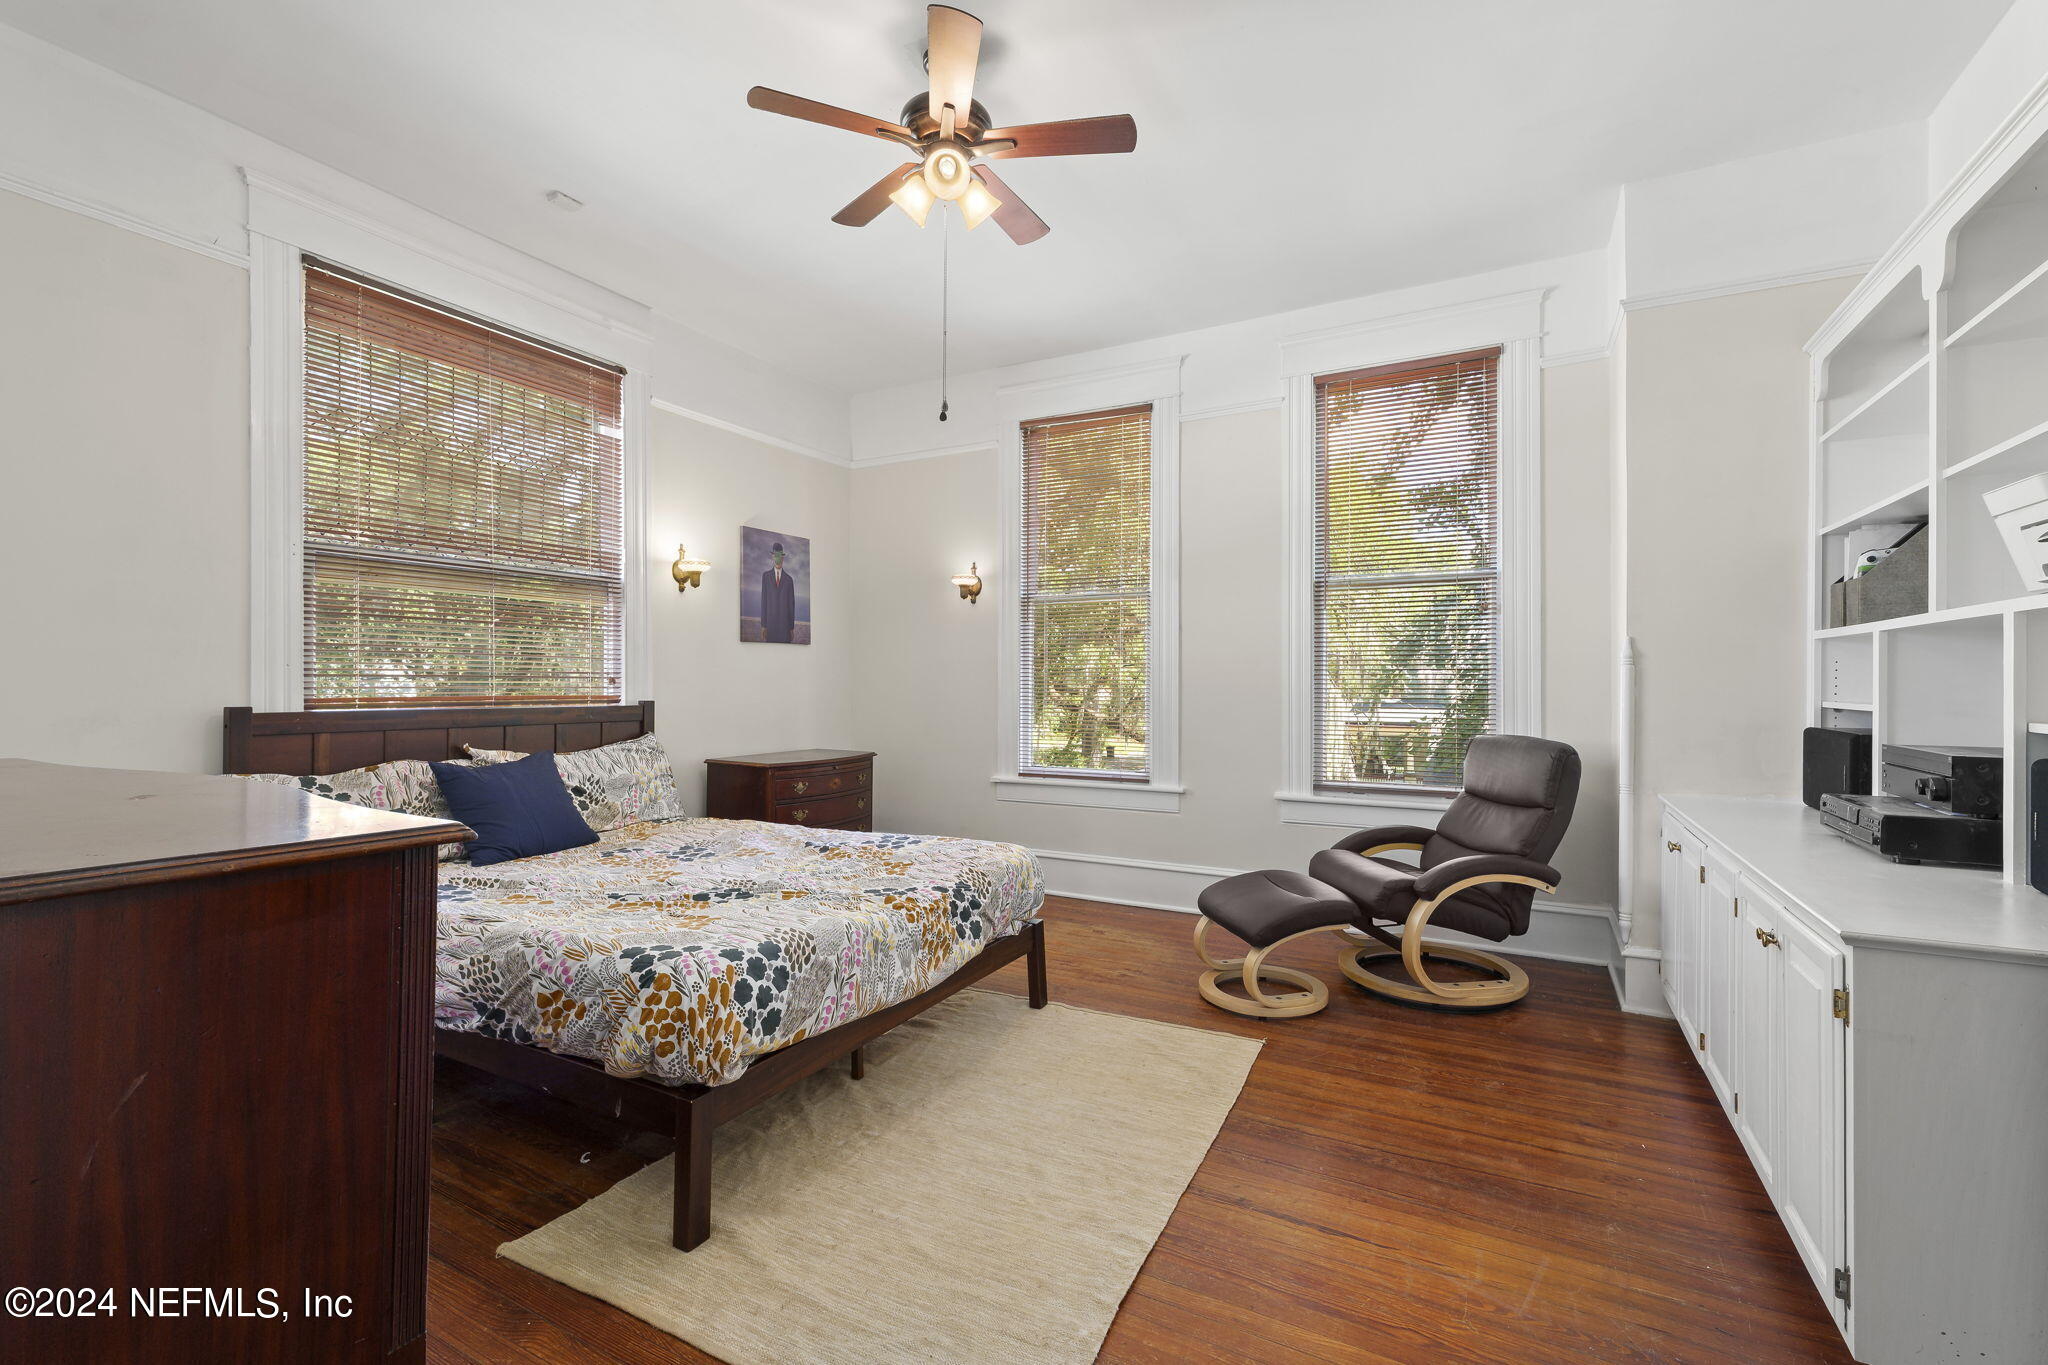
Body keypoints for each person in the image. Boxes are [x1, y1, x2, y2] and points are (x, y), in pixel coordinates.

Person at [760, 541, 798, 643]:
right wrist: (763, 625)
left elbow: (791, 605)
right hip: (770, 626)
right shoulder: (766, 577)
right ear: (772, 556)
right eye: (775, 555)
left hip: (785, 627)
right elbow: (764, 601)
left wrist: (791, 628)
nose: (778, 558)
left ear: (783, 557)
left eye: (780, 555)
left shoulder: (789, 580)